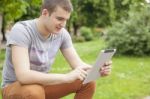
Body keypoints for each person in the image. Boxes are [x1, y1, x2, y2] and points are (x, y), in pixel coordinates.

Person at [1, 0, 112, 99]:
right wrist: (65, 78)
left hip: (42, 86)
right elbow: (23, 76)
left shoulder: (61, 34)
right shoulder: (22, 30)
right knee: (34, 91)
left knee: (87, 82)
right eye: (59, 19)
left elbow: (78, 66)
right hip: (14, 88)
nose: (63, 24)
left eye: (66, 20)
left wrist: (96, 69)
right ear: (45, 13)